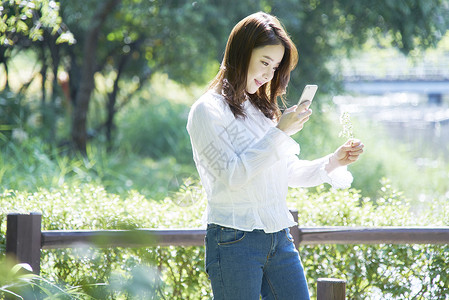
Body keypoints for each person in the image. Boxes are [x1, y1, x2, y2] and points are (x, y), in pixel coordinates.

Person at [186, 12, 364, 300]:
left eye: (276, 66)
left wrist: (334, 160)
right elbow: (233, 176)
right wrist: (279, 132)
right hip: (234, 238)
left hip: (279, 236)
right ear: (241, 53)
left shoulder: (261, 111)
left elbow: (290, 172)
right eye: (264, 62)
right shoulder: (207, 110)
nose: (269, 74)